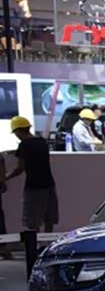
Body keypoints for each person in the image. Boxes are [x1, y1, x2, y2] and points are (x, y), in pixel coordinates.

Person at [7, 115, 59, 277]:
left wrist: (6, 177)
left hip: (33, 186)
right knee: (49, 217)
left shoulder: (24, 145)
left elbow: (19, 168)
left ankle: (34, 250)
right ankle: (48, 246)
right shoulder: (42, 142)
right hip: (49, 183)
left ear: (18, 131)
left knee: (32, 221)